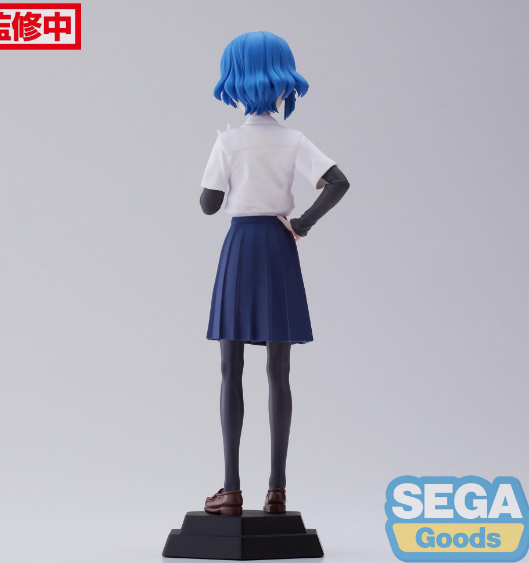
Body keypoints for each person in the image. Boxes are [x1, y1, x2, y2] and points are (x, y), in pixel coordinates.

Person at [200, 31, 350, 516]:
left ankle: (230, 489)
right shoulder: (293, 140)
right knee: (279, 371)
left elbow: (208, 205)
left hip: (241, 246)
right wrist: (301, 224)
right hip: (280, 246)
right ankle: (277, 489)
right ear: (284, 80)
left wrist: (222, 155)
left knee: (231, 369)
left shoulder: (229, 142)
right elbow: (338, 182)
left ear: (234, 82)